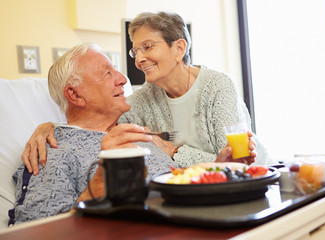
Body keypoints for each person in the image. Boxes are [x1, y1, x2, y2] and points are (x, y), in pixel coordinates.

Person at [21, 11, 272, 175]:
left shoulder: (218, 87)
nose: (139, 59)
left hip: (258, 175)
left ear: (178, 48)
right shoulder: (141, 101)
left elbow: (236, 164)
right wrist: (50, 126)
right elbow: (95, 120)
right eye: (135, 51)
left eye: (147, 47)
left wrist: (173, 151)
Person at [8, 42, 177, 225]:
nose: (122, 79)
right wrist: (98, 185)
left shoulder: (136, 129)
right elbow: (34, 231)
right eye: (107, 73)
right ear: (75, 95)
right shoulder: (52, 152)